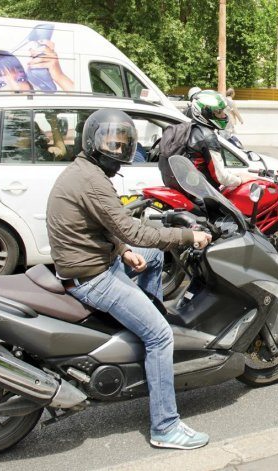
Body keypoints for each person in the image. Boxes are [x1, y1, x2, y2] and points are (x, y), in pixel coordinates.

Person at [46, 109, 212, 449]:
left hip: (91, 262)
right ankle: (165, 427)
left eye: (122, 143)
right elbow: (129, 227)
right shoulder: (93, 181)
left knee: (149, 256)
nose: (118, 151)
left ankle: (147, 315)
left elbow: (104, 227)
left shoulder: (84, 172)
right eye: (111, 142)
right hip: (92, 277)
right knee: (161, 337)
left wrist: (122, 249)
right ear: (92, 140)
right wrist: (186, 236)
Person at [181, 90, 254, 189]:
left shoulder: (190, 128)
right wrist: (240, 180)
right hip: (202, 193)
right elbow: (221, 177)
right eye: (219, 112)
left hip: (188, 187)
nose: (224, 115)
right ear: (205, 113)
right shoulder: (208, 136)